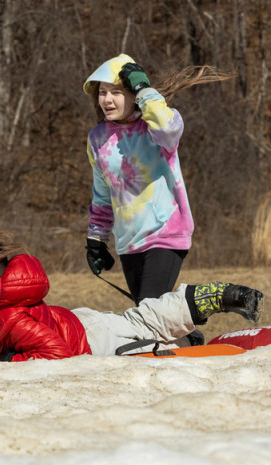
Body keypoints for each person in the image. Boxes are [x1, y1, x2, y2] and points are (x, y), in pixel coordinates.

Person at [82, 54, 234, 343]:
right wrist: (96, 239)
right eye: (102, 93)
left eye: (116, 91)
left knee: (148, 320)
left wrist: (144, 90)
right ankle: (190, 340)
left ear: (133, 95)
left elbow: (168, 126)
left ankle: (165, 366)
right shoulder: (98, 137)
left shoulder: (156, 129)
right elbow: (102, 192)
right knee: (149, 320)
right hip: (129, 242)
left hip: (166, 234)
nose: (107, 100)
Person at [0, 231, 263, 362]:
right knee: (139, 321)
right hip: (79, 323)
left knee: (142, 330)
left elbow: (56, 355)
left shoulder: (9, 317)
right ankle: (188, 336)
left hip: (92, 340)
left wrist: (9, 360)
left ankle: (216, 297)